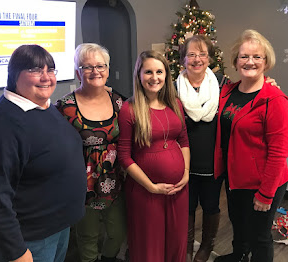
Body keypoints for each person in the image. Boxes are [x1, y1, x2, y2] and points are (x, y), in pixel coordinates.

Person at [0, 45, 87, 262]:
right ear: (15, 74)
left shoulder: (43, 106)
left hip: (58, 227)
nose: (46, 77)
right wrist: (15, 251)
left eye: (51, 70)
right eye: (36, 70)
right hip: (32, 238)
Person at [213, 29, 288, 262]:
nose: (250, 61)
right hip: (235, 177)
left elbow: (278, 153)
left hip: (263, 182)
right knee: (238, 223)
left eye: (257, 57)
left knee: (260, 236)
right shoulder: (227, 91)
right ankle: (239, 256)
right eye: (244, 56)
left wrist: (266, 194)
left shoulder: (275, 100)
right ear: (235, 61)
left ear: (266, 62)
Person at [55, 43, 126, 262]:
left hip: (116, 180)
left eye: (100, 66)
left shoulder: (119, 102)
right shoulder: (64, 106)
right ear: (78, 72)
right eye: (87, 67)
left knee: (118, 233)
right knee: (87, 236)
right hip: (81, 185)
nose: (95, 71)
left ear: (107, 69)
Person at [117, 50, 190, 262]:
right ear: (139, 75)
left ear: (166, 75)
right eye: (148, 72)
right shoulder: (129, 109)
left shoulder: (176, 104)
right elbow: (124, 156)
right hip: (145, 191)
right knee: (150, 245)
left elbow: (184, 141)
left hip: (179, 189)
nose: (154, 77)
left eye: (159, 71)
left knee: (176, 242)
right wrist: (151, 186)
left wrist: (185, 173)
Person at [177, 35, 225, 262]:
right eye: (192, 54)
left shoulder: (222, 84)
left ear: (209, 58)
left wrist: (269, 82)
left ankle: (206, 247)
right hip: (182, 163)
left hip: (212, 162)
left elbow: (249, 88)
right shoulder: (172, 87)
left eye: (202, 54)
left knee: (210, 206)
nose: (197, 59)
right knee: (185, 208)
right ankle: (185, 247)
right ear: (183, 59)